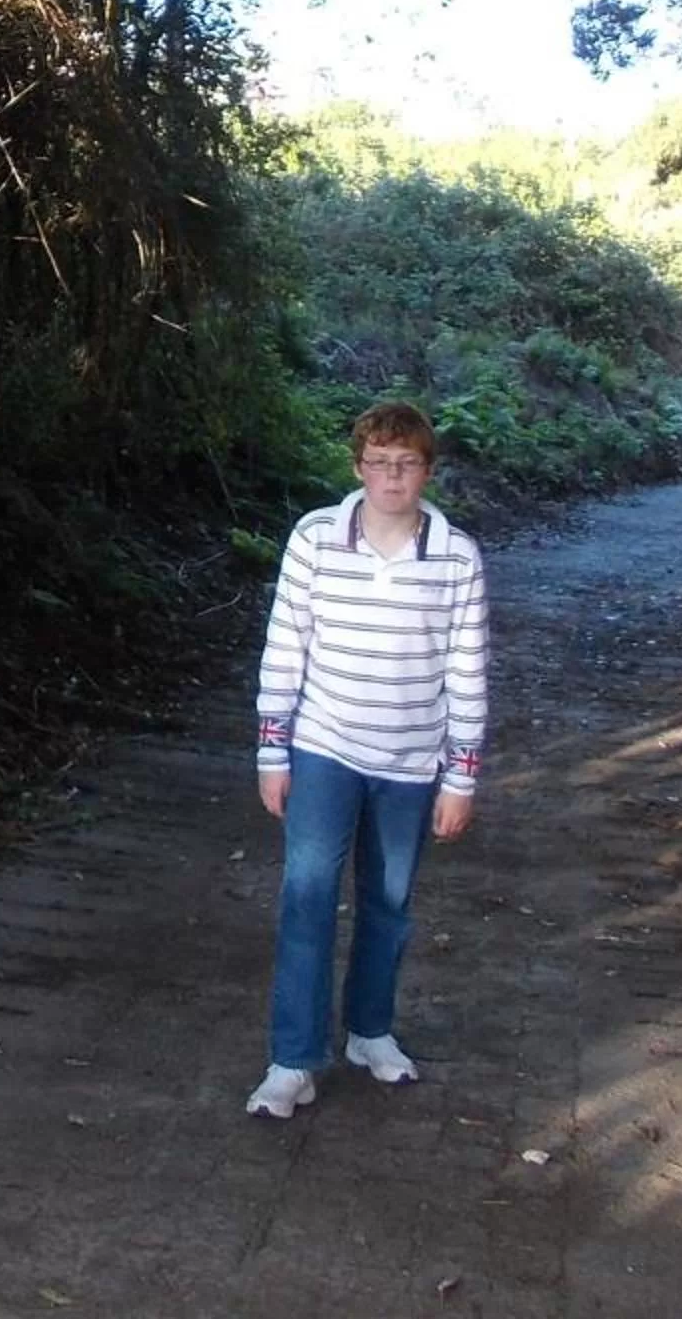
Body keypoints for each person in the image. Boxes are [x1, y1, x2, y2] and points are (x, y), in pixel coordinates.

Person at [246, 400, 489, 1119]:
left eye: (406, 463)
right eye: (379, 462)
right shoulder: (315, 537)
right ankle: (292, 1060)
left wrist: (461, 776)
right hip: (323, 747)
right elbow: (285, 644)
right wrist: (272, 751)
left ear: (428, 471)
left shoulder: (457, 556)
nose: (392, 476)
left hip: (412, 763)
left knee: (388, 904)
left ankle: (370, 1032)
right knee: (308, 896)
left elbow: (467, 669)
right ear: (358, 467)